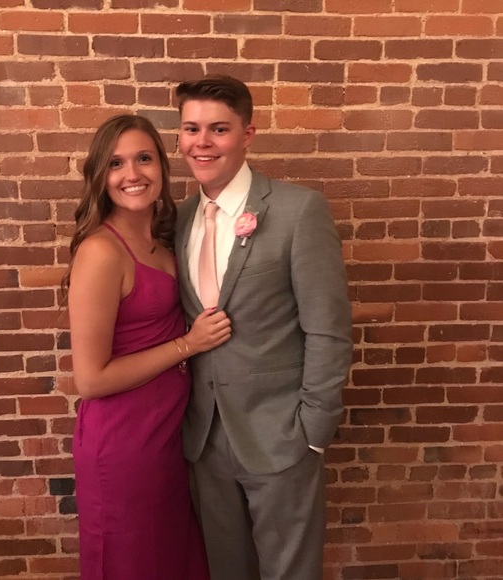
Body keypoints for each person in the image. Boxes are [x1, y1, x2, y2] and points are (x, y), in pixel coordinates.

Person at [174, 75, 353, 580]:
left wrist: (313, 431)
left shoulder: (298, 210)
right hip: (204, 438)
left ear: (247, 134)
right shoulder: (178, 218)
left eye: (219, 129)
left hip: (282, 435)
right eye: (191, 128)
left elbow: (328, 329)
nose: (202, 142)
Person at [62, 114, 231, 580]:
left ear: (162, 165)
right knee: (131, 565)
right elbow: (90, 379)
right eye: (116, 163)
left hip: (166, 438)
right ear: (100, 175)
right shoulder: (101, 251)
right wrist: (187, 345)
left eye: (143, 158)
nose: (132, 174)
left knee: (171, 562)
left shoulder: (163, 238)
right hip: (123, 444)